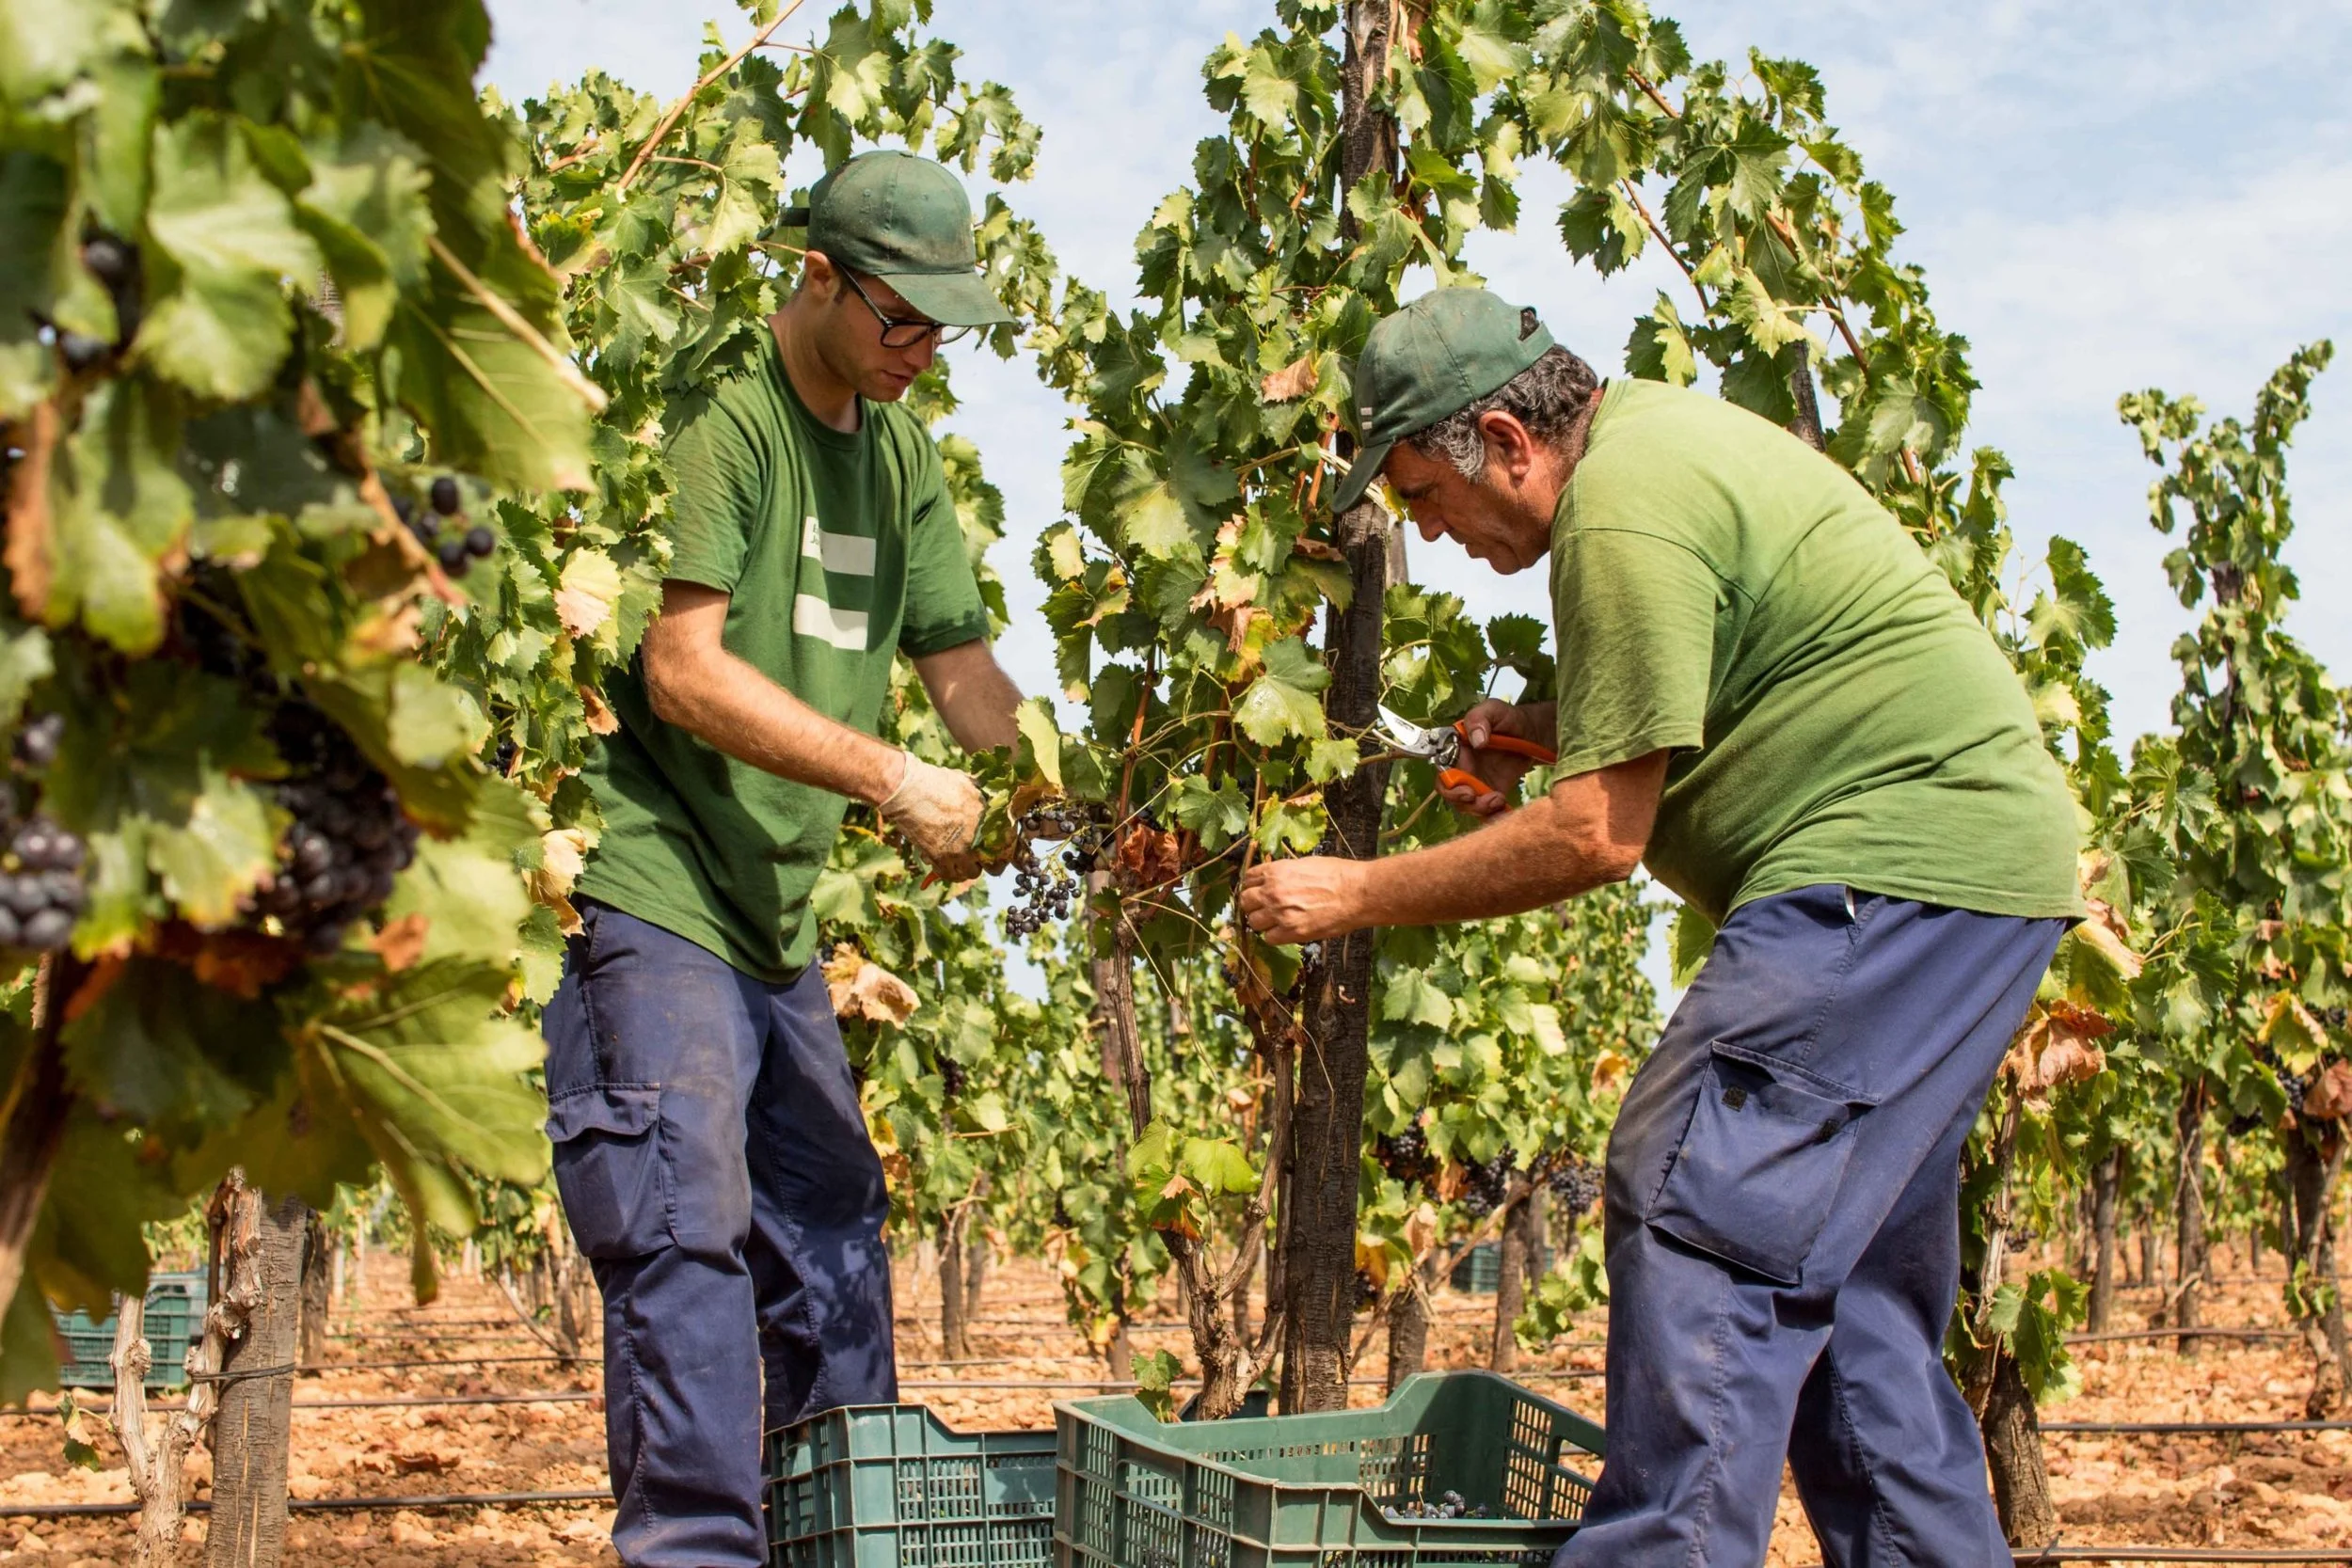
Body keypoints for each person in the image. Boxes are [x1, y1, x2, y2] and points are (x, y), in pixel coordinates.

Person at [1239, 287, 2083, 1566]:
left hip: (1892, 874)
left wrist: (1352, 892)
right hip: (1969, 882)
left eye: (1423, 494)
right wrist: (1535, 727)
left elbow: (1597, 834)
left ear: (1506, 445)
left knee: (1692, 1184)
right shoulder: (1656, 448)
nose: (1432, 529)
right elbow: (1703, 700)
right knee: (1841, 1295)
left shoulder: (1619, 509)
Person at [542, 150, 1025, 1568]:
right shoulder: (728, 421)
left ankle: (846, 1540)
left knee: (828, 1220)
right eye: (904, 320)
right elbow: (683, 672)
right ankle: (699, 1549)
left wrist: (1071, 795)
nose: (925, 354)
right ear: (819, 276)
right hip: (655, 877)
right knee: (685, 1225)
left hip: (775, 917)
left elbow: (966, 683)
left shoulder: (901, 456)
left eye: (948, 328)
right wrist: (892, 779)